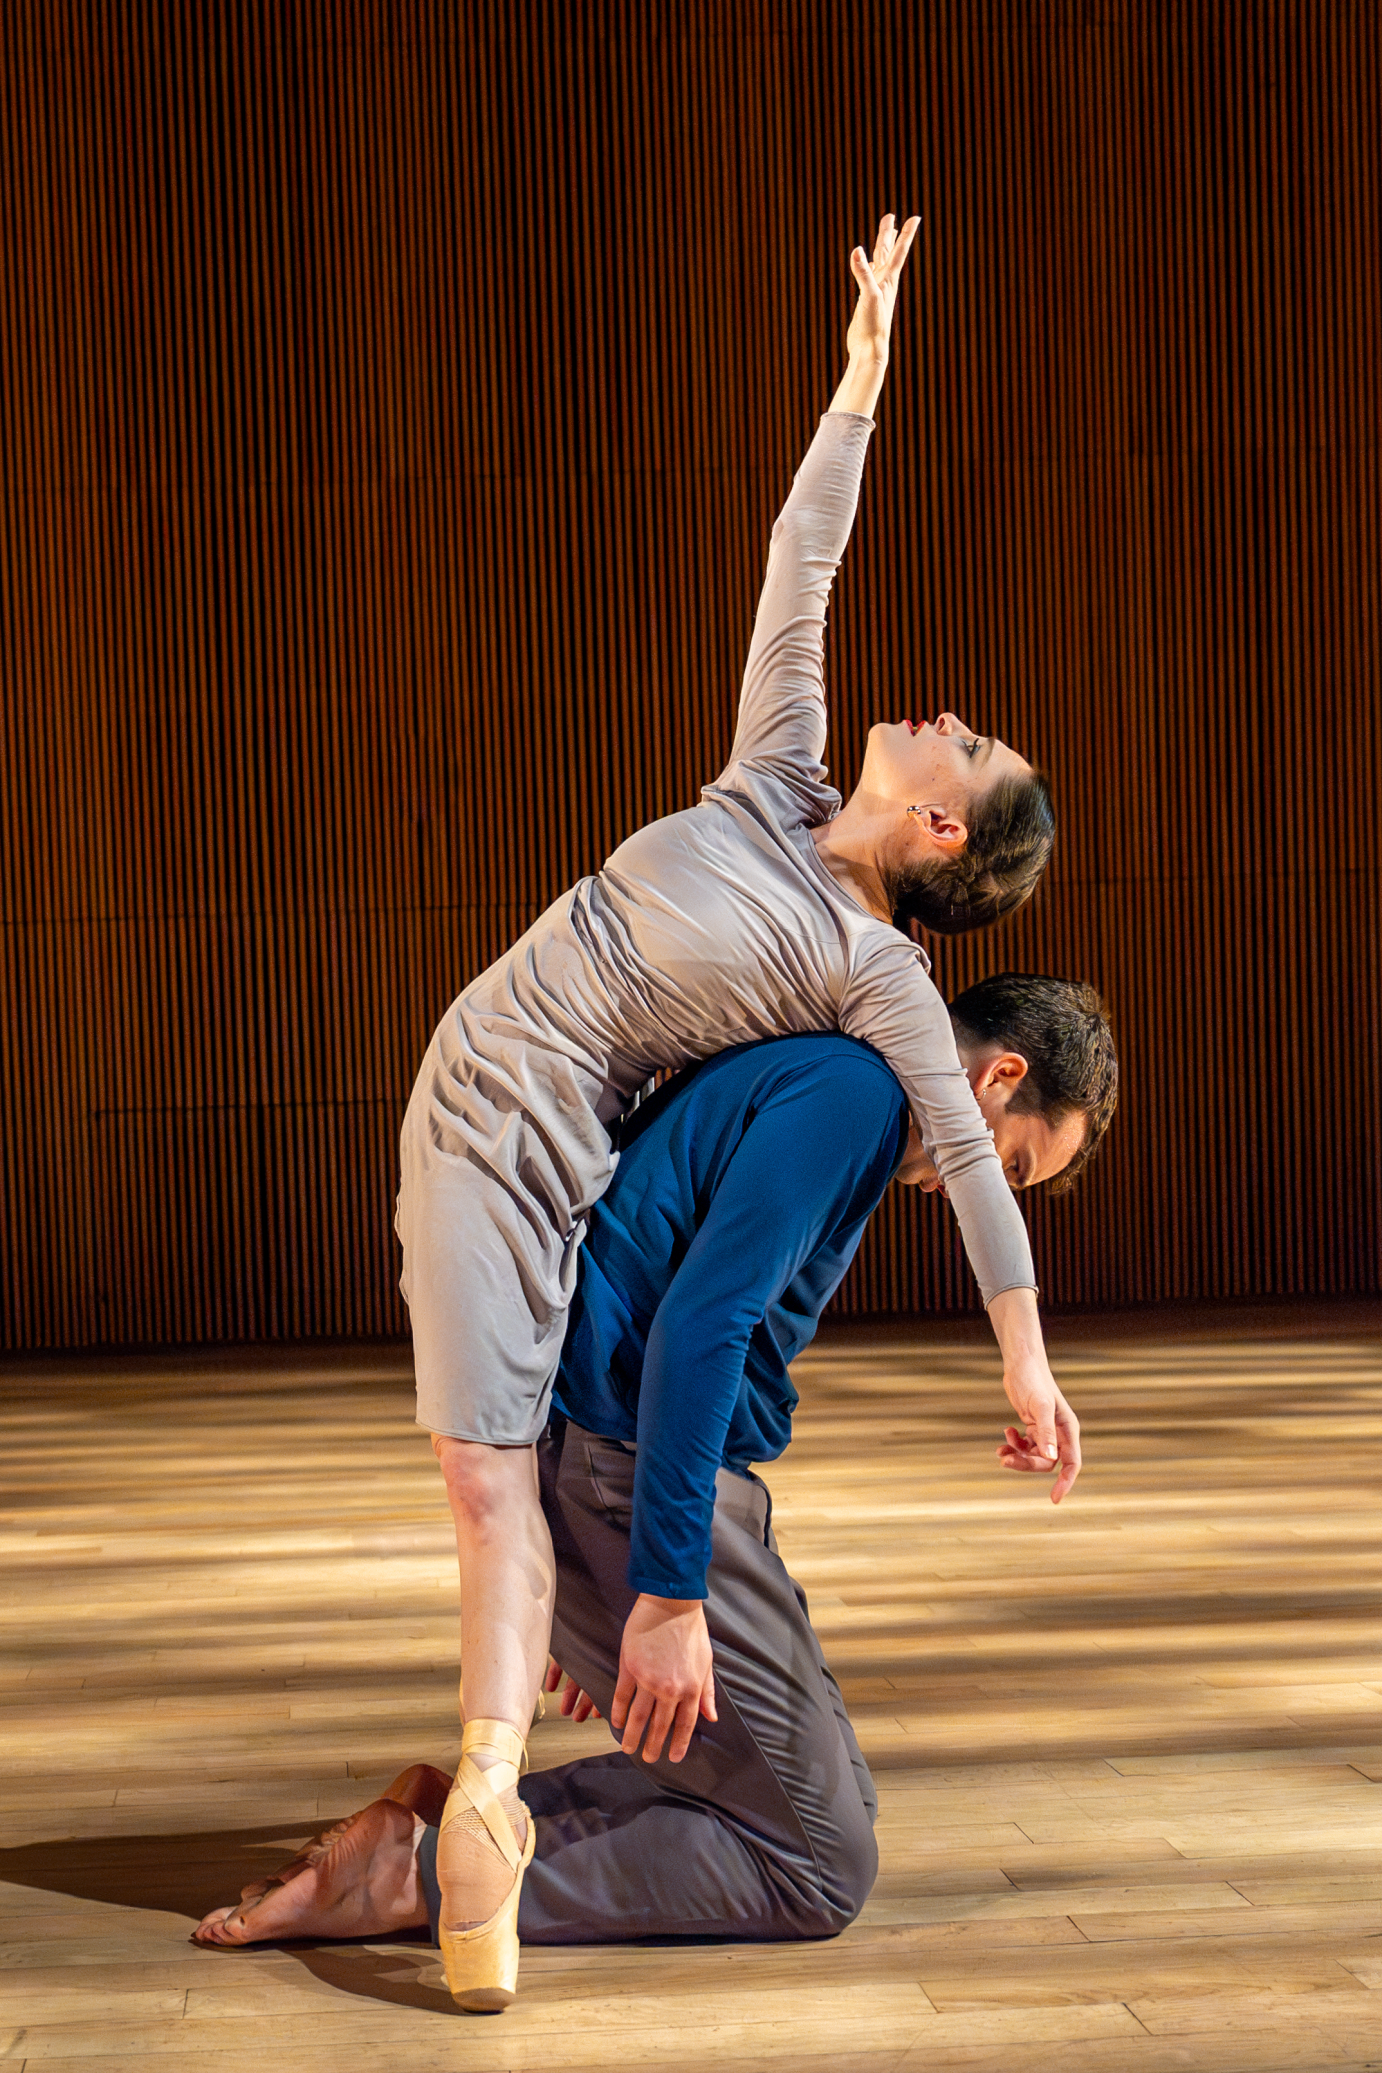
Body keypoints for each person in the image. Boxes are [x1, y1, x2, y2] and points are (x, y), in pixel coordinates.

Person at [399, 208, 1065, 2009]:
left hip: (549, 1129)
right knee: (507, 1478)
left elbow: (968, 1170)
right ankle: (468, 1811)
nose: (943, 718)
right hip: (494, 1083)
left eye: (968, 746)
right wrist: (859, 381)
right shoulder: (773, 778)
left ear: (945, 832)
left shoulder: (876, 988)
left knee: (509, 1480)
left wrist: (1021, 1359)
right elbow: (799, 564)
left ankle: (464, 1836)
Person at [198, 980, 1117, 1995]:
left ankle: (459, 1814)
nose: (975, 1189)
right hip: (627, 1472)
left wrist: (593, 1583)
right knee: (818, 1863)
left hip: (608, 1464)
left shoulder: (831, 1076)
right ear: (997, 1077)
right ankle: (412, 1877)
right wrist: (661, 1589)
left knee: (833, 1792)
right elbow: (699, 1328)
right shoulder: (853, 1097)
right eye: (1014, 1162)